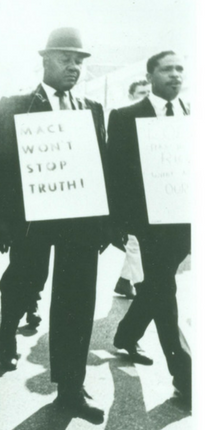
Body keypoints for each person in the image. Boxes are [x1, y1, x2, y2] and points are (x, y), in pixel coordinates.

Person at [0, 28, 109, 424]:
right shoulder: (16, 105)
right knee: (26, 281)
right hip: (31, 220)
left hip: (79, 220)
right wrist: (1, 222)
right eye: (65, 59)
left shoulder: (90, 108)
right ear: (45, 60)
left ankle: (70, 388)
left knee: (76, 301)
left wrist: (103, 222)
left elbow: (101, 167)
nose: (74, 67)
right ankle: (8, 327)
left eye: (79, 60)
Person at [108, 51, 191, 407]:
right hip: (146, 226)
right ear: (151, 75)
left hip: (185, 223)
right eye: (167, 69)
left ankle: (126, 335)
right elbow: (115, 173)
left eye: (180, 69)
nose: (175, 75)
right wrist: (119, 224)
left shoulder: (194, 117)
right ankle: (187, 377)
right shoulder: (126, 117)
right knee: (163, 292)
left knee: (157, 289)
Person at [113, 79, 151, 299]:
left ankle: (125, 281)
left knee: (138, 244)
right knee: (134, 243)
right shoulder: (124, 120)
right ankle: (142, 288)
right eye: (141, 93)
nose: (145, 97)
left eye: (149, 92)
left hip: (152, 197)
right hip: (131, 198)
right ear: (131, 96)